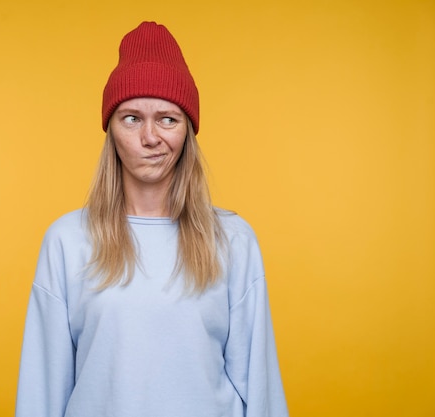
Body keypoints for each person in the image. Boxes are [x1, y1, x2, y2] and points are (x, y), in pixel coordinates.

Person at [15, 21, 288, 417]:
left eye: (167, 118)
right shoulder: (67, 241)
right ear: (110, 129)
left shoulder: (232, 240)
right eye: (131, 118)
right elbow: (41, 392)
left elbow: (260, 387)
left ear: (187, 133)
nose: (150, 137)